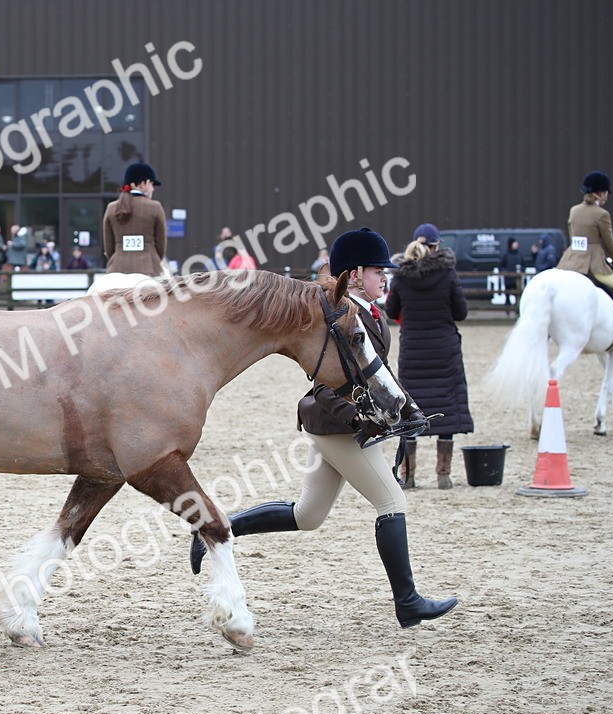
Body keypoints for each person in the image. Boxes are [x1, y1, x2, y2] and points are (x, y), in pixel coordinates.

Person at [194, 228, 456, 630]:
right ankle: (408, 603)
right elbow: (324, 386)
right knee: (392, 503)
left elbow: (380, 375)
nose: (385, 278)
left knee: (307, 515)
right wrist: (361, 421)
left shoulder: (372, 313)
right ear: (353, 275)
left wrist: (407, 408)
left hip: (335, 428)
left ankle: (220, 529)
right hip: (338, 429)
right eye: (377, 271)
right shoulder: (338, 317)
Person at [384, 223, 473, 489]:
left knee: (411, 409)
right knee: (446, 406)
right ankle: (443, 474)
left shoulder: (401, 276)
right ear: (436, 246)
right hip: (444, 350)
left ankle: (408, 475)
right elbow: (461, 312)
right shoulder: (448, 275)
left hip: (413, 349)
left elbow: (391, 310)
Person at [556, 171, 613, 303]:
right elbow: (609, 244)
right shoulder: (602, 214)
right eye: (606, 192)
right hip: (593, 264)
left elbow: (573, 236)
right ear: (601, 193)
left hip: (570, 261)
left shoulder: (574, 210)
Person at [102, 161, 167, 276]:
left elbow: (109, 247)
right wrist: (154, 259)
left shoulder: (111, 208)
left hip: (117, 268)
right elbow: (161, 244)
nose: (153, 189)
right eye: (152, 184)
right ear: (143, 184)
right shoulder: (155, 207)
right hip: (149, 269)